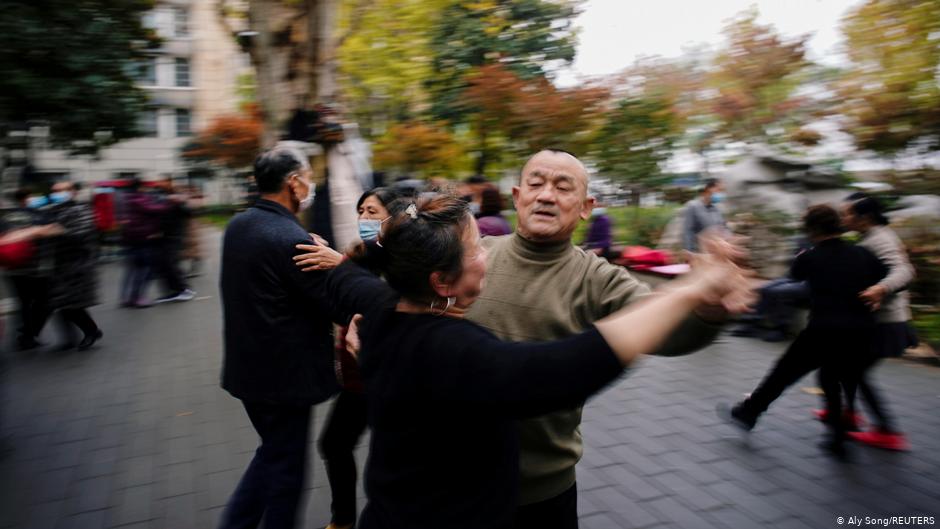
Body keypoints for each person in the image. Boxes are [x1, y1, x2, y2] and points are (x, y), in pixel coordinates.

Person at [323, 193, 752, 529]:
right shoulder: (452, 350)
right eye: (476, 247)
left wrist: (349, 268)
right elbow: (569, 367)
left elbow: (343, 279)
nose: (486, 253)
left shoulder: (382, 308)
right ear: (442, 281)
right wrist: (690, 290)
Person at [464, 150, 735, 529]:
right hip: (452, 481)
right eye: (536, 184)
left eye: (563, 187)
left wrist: (708, 308)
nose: (546, 195)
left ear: (586, 207)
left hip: (543, 493)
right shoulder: (473, 257)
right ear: (517, 197)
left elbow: (667, 329)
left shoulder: (598, 279)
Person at [218, 146, 342, 529]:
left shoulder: (240, 225)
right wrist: (336, 263)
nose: (311, 185)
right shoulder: (291, 239)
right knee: (286, 469)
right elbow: (335, 304)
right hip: (285, 381)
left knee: (272, 454)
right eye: (309, 177)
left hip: (248, 372)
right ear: (293, 182)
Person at [718, 205, 887, 457]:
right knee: (833, 377)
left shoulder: (810, 257)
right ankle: (838, 436)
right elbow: (883, 274)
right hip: (862, 330)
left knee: (784, 372)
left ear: (813, 229)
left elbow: (796, 276)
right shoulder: (862, 253)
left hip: (824, 330)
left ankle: (748, 412)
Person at [293, 186, 402, 529]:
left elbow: (386, 305)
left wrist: (339, 266)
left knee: (390, 461)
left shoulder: (405, 259)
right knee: (334, 444)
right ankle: (342, 520)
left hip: (388, 381)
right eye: (361, 211)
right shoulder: (357, 255)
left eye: (373, 212)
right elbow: (341, 305)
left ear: (394, 219)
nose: (364, 218)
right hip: (357, 381)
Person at [835, 193, 914, 450]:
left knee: (854, 371)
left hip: (886, 323)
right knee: (847, 366)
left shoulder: (881, 239)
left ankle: (887, 431)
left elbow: (905, 271)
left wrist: (881, 289)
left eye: (847, 213)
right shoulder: (870, 236)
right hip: (874, 320)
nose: (843, 218)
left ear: (865, 217)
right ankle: (850, 414)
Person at [44, 181, 104, 351]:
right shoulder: (52, 210)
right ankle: (70, 338)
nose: (56, 194)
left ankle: (91, 331)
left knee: (71, 305)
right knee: (60, 303)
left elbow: (80, 234)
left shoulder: (81, 210)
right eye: (54, 191)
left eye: (61, 191)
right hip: (57, 265)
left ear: (72, 192)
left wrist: (57, 231)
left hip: (77, 264)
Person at [0, 189, 61, 349]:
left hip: (12, 268)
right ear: (27, 199)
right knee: (46, 301)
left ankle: (24, 336)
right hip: (35, 268)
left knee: (23, 303)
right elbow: (52, 233)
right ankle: (29, 334)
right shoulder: (38, 215)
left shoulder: (6, 217)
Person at [682, 178, 727, 252]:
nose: (721, 194)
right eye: (719, 190)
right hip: (701, 252)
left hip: (717, 251)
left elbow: (724, 227)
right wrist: (689, 252)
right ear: (708, 189)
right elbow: (688, 232)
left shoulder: (717, 208)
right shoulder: (693, 206)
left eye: (722, 191)